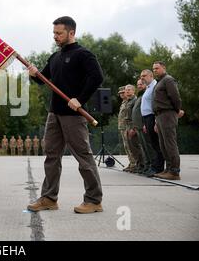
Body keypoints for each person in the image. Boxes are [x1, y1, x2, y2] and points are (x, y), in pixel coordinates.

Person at [27, 16, 104, 214]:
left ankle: (94, 200)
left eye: (59, 33)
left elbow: (97, 77)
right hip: (54, 114)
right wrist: (33, 73)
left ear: (71, 33)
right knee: (51, 156)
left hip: (73, 114)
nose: (55, 36)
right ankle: (49, 198)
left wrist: (80, 98)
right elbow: (41, 79)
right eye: (54, 33)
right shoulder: (55, 57)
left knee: (83, 156)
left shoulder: (83, 54)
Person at [152, 61, 184, 180]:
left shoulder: (168, 80)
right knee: (163, 144)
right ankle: (168, 169)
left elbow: (175, 97)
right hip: (160, 115)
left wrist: (176, 111)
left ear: (163, 68)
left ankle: (175, 172)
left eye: (157, 68)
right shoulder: (160, 82)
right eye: (153, 69)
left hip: (167, 114)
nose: (155, 70)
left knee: (170, 143)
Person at [140, 69, 165, 174]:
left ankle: (158, 168)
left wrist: (155, 121)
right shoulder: (148, 88)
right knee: (152, 143)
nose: (142, 78)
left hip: (152, 117)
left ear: (151, 76)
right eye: (141, 76)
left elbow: (156, 105)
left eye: (144, 76)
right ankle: (155, 166)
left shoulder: (155, 86)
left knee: (156, 143)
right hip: (147, 118)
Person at [124, 85, 144, 173]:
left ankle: (142, 165)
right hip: (127, 125)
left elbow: (135, 115)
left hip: (132, 125)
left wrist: (133, 127)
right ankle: (138, 164)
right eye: (126, 90)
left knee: (136, 146)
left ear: (133, 91)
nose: (127, 91)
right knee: (131, 147)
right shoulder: (127, 101)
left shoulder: (135, 100)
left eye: (129, 90)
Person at [118, 86, 134, 172]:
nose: (121, 94)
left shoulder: (129, 102)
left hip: (127, 126)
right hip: (123, 127)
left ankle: (134, 163)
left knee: (129, 145)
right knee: (126, 146)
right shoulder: (124, 102)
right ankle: (131, 163)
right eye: (120, 93)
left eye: (122, 92)